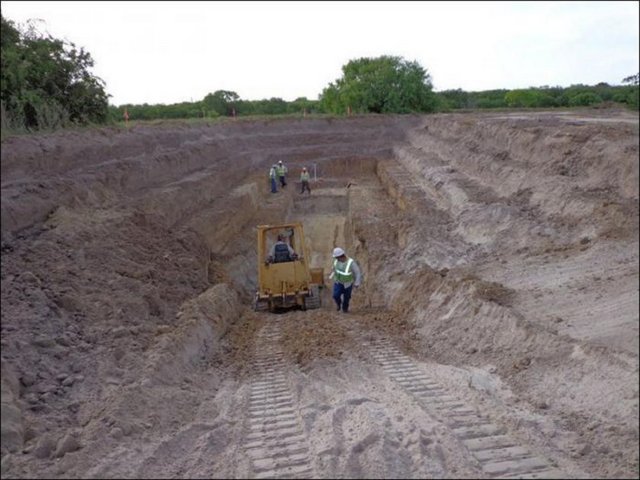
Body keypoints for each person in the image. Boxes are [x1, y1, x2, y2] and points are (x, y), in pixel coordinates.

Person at [329, 247, 362, 313]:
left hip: (348, 284)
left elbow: (357, 272)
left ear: (340, 256)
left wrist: (357, 283)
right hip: (338, 282)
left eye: (336, 257)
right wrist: (331, 276)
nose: (336, 259)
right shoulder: (336, 261)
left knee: (347, 298)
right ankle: (339, 305)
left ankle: (345, 308)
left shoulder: (351, 262)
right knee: (336, 295)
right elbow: (334, 269)